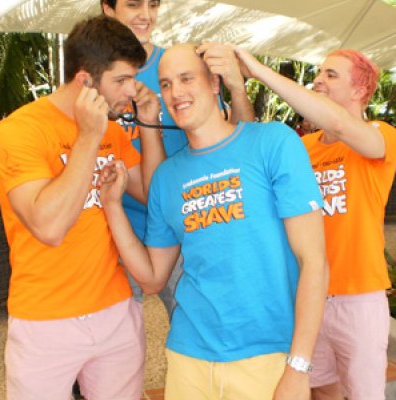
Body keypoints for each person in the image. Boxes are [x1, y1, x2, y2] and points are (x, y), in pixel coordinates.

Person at [100, 43, 328, 400]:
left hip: (267, 353)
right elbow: (152, 277)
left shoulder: (273, 143)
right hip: (189, 355)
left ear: (214, 84)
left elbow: (313, 261)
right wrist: (112, 206)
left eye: (186, 78)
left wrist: (299, 366)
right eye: (167, 83)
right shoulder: (166, 178)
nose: (176, 92)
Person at [0, 15, 163, 400]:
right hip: (44, 320)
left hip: (114, 308)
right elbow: (49, 227)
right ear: (85, 81)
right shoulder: (19, 132)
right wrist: (89, 136)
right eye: (121, 80)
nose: (132, 90)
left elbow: (152, 194)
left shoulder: (112, 128)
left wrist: (150, 127)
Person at [219, 44, 396, 400]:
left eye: (331, 75)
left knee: (364, 393)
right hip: (306, 294)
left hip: (358, 296)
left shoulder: (381, 134)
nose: (317, 81)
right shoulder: (303, 146)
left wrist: (259, 71)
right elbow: (248, 149)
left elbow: (338, 122)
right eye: (318, 74)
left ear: (360, 90)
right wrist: (237, 87)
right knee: (317, 390)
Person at [100, 0, 255, 315]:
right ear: (108, 9)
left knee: (202, 322)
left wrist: (238, 91)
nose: (146, 15)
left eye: (153, 5)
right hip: (116, 231)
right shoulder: (94, 76)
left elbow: (240, 140)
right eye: (133, 5)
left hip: (185, 224)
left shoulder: (176, 66)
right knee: (118, 345)